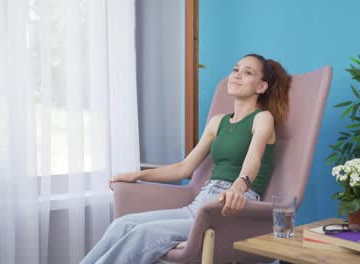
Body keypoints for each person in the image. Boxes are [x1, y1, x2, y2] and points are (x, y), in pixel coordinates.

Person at [80, 53, 291, 264]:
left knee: (143, 233)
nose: (237, 75)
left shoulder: (263, 118)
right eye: (235, 69)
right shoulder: (218, 122)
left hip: (230, 207)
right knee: (122, 224)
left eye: (247, 73)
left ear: (261, 87)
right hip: (199, 204)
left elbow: (253, 160)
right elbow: (184, 168)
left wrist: (238, 186)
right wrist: (136, 175)